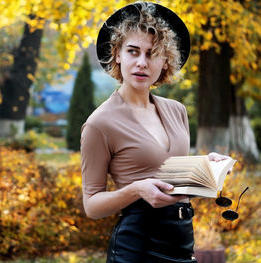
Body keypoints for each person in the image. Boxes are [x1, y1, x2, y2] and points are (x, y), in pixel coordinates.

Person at [80, 2, 231, 263]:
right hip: (136, 247)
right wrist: (136, 190)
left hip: (182, 242)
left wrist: (208, 169)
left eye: (152, 54)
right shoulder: (99, 124)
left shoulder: (177, 111)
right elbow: (91, 205)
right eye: (133, 51)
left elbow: (172, 181)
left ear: (165, 61)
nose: (141, 63)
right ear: (117, 54)